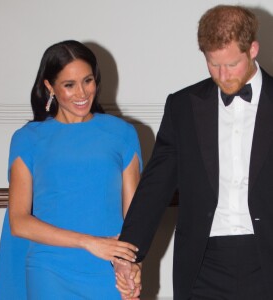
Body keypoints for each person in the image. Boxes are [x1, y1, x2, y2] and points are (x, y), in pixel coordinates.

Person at [115, 5, 273, 300]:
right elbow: (156, 185)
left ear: (253, 49)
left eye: (232, 64)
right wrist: (128, 253)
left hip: (266, 259)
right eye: (213, 65)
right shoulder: (183, 107)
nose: (223, 76)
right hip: (204, 262)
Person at [0, 40, 143, 299]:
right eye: (69, 85)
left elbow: (136, 219)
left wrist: (133, 265)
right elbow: (19, 222)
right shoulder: (27, 138)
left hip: (108, 270)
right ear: (49, 86)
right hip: (49, 270)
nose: (82, 93)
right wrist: (89, 242)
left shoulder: (123, 134)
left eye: (88, 81)